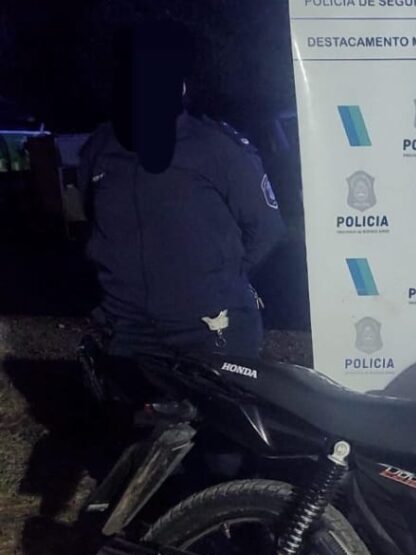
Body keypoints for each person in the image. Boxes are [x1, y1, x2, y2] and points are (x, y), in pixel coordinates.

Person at [78, 20, 283, 359]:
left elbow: (266, 229)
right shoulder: (99, 149)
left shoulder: (219, 149)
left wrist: (214, 286)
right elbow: (94, 222)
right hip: (127, 331)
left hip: (210, 329)